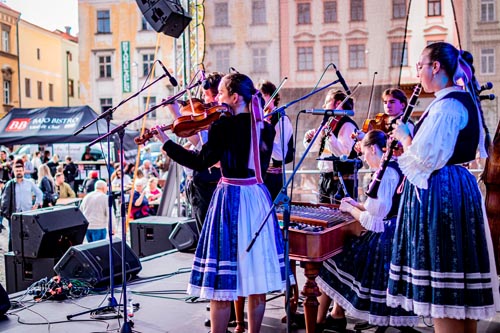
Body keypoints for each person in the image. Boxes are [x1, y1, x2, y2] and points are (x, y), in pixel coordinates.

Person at [155, 73, 288, 333]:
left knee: (222, 283)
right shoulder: (266, 126)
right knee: (255, 280)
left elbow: (199, 161)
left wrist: (166, 142)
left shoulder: (222, 126)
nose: (216, 99)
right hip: (258, 199)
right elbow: (248, 159)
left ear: (235, 97)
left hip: (231, 198)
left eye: (221, 94)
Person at [387, 42, 500, 333]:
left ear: (435, 67)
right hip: (454, 189)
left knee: (445, 281)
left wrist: (404, 136)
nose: (418, 72)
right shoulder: (459, 100)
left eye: (420, 66)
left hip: (441, 194)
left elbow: (423, 160)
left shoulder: (447, 106)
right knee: (459, 287)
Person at [315, 130, 419, 332]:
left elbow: (374, 222)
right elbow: (381, 208)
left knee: (332, 258)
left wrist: (350, 209)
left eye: (364, 153)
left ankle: (328, 319)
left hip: (386, 240)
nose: (363, 158)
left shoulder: (384, 173)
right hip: (398, 233)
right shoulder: (394, 167)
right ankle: (334, 315)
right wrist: (357, 204)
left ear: (373, 148)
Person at [303, 90, 359, 203]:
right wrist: (309, 138)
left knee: (339, 216)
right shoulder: (329, 123)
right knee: (323, 210)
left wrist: (329, 134)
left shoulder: (347, 125)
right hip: (325, 178)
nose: (323, 106)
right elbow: (313, 149)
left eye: (327, 101)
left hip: (340, 180)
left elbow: (343, 154)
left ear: (338, 103)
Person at [258, 80, 294, 201]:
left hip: (273, 177)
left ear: (272, 97)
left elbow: (280, 155)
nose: (260, 100)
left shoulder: (282, 120)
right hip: (259, 174)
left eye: (262, 96)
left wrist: (266, 133)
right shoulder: (259, 118)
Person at [0, 159, 43, 251]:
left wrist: (36, 205)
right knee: (13, 236)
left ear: (23, 171)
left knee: (28, 235)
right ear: (14, 172)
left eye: (20, 171)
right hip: (14, 215)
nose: (19, 172)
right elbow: (4, 199)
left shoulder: (29, 183)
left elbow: (39, 193)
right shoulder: (10, 184)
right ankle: (12, 255)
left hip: (27, 214)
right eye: (17, 171)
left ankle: (27, 253)